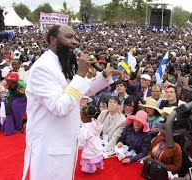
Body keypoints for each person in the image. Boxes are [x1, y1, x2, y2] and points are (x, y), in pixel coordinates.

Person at [22, 24, 124, 180]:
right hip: (50, 147)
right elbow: (60, 106)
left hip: (64, 143)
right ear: (53, 40)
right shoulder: (42, 68)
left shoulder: (61, 64)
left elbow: (81, 91)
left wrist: (103, 76)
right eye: (69, 37)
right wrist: (81, 74)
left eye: (75, 37)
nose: (75, 42)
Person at [77, 105, 104, 173]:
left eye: (81, 116)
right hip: (96, 148)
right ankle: (94, 166)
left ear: (84, 117)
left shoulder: (85, 129)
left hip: (89, 150)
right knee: (94, 157)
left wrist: (78, 144)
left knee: (89, 161)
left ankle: (90, 169)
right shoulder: (95, 123)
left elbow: (81, 144)